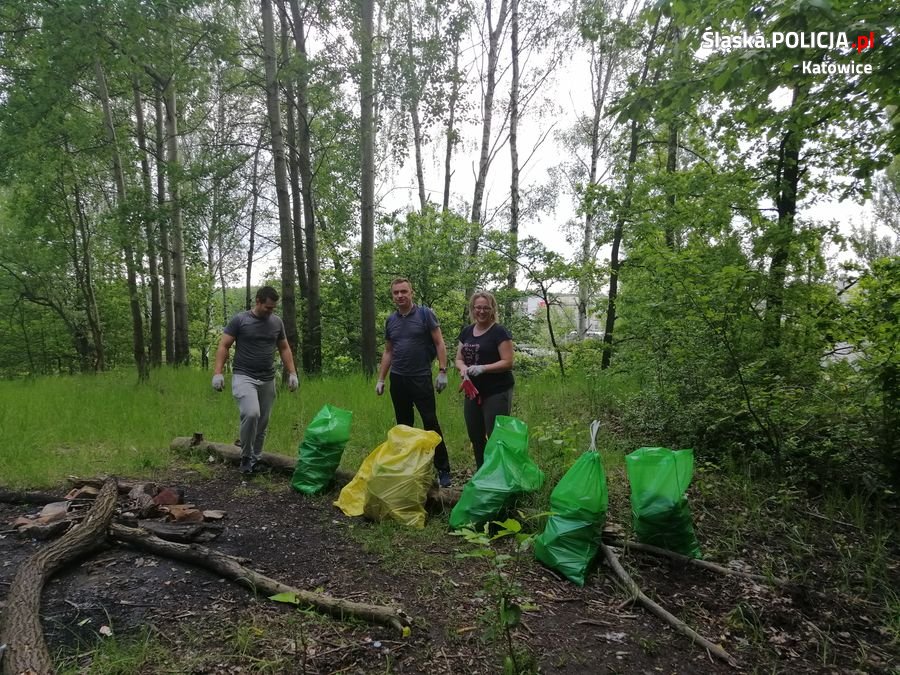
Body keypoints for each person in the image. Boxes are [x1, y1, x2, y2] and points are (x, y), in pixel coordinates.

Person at [212, 286, 298, 474]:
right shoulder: (240, 320)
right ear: (257, 301)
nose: (270, 311)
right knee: (251, 414)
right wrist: (217, 373)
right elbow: (224, 345)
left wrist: (292, 373)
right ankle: (245, 456)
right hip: (244, 376)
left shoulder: (276, 322)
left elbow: (284, 348)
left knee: (263, 421)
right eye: (268, 307)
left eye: (273, 308)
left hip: (267, 378)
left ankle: (255, 459)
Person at [376, 277, 453, 487]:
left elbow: (439, 343)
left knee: (430, 423)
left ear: (411, 293)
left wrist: (443, 371)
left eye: (404, 292)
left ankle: (443, 470)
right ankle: (405, 467)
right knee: (403, 426)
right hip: (398, 379)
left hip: (421, 377)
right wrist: (381, 379)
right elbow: (388, 351)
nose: (400, 296)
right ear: (392, 296)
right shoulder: (391, 320)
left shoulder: (425, 314)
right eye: (396, 293)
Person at [455, 291, 514, 470]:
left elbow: (508, 362)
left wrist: (483, 368)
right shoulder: (466, 332)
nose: (481, 311)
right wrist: (463, 368)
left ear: (492, 309)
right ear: (472, 309)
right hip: (472, 391)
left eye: (486, 308)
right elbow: (458, 358)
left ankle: (498, 472)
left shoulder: (499, 332)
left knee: (495, 435)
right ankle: (482, 472)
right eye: (478, 307)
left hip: (496, 391)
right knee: (475, 435)